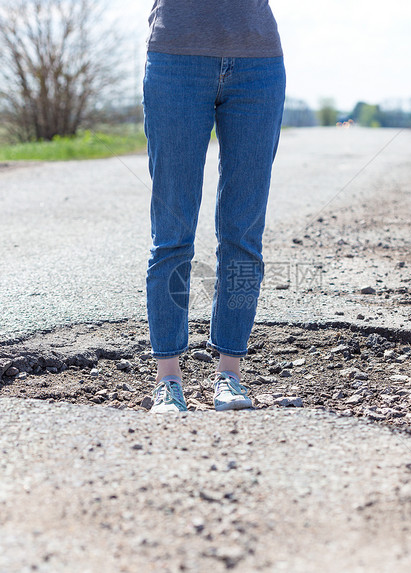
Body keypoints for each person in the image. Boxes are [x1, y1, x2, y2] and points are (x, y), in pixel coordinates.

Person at [143, 1, 286, 412]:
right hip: (176, 60)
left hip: (259, 64)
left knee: (242, 232)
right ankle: (167, 378)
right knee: (173, 232)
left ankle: (230, 375)